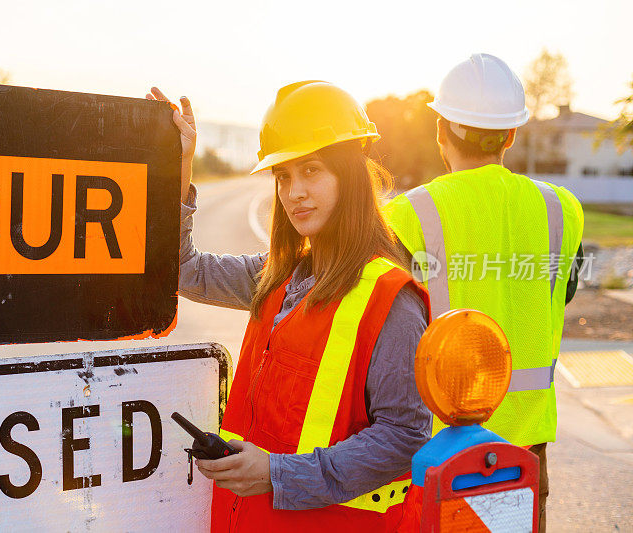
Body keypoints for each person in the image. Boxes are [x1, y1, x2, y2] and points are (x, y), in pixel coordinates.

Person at [146, 81, 431, 531]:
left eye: (312, 170)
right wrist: (179, 162)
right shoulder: (280, 274)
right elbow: (183, 270)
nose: (294, 191)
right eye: (283, 177)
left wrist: (278, 475)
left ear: (351, 174)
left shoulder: (391, 299)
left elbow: (405, 437)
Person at [383, 53, 584, 532]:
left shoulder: (409, 214)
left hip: (435, 450)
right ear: (511, 135)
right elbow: (563, 292)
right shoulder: (563, 209)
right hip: (525, 455)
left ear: (440, 132)